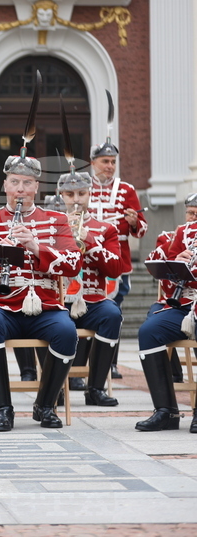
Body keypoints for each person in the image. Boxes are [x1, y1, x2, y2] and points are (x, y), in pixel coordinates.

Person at [0, 153, 81, 431]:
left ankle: (46, 405)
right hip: (1, 304)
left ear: (36, 187)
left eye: (27, 183)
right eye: (14, 182)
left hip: (45, 304)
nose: (20, 189)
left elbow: (74, 263)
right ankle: (3, 409)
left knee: (67, 332)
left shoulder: (56, 220)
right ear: (5, 185)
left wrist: (37, 247)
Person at [58, 171, 122, 406]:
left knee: (112, 314)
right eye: (70, 194)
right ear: (61, 195)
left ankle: (95, 388)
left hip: (93, 300)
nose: (76, 199)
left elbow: (116, 268)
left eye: (82, 193)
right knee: (47, 320)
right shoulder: (51, 226)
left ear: (90, 194)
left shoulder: (106, 229)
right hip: (60, 300)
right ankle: (55, 388)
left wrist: (90, 241)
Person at [136, 206, 197, 433]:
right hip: (185, 303)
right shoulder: (184, 231)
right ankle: (166, 411)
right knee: (149, 332)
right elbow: (169, 276)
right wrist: (179, 263)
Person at [88, 139, 146, 378]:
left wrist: (134, 222)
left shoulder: (127, 190)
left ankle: (110, 362)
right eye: (105, 161)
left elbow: (142, 230)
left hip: (117, 262)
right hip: (87, 262)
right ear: (93, 163)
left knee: (114, 312)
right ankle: (83, 362)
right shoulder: (82, 186)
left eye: (113, 162)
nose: (110, 166)